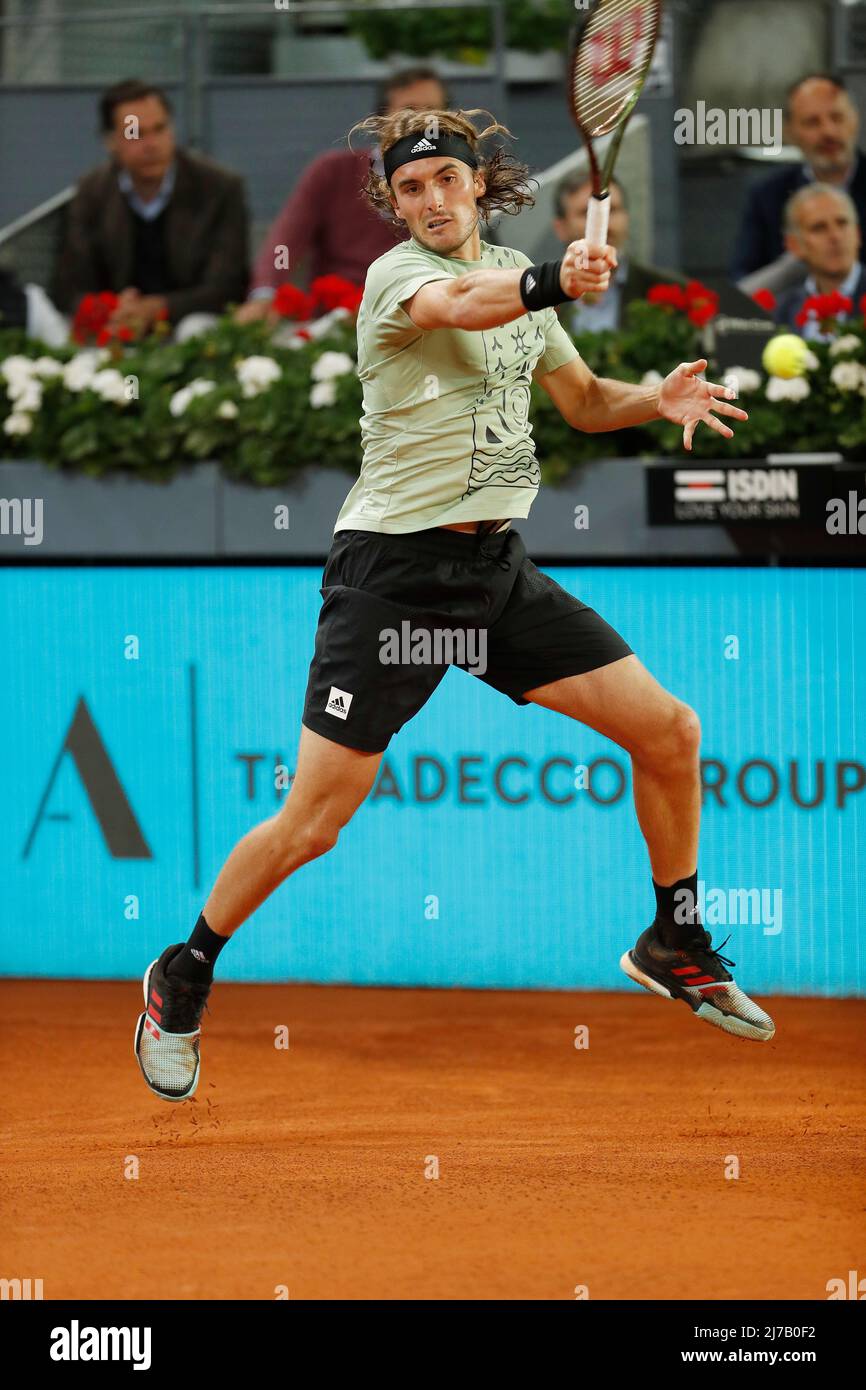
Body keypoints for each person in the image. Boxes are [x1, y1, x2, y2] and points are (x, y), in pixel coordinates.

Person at [134, 107, 773, 1104]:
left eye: (447, 179)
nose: (431, 198)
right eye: (412, 186)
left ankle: (673, 935)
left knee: (668, 730)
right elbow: (465, 306)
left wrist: (655, 397)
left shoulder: (515, 280)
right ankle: (184, 971)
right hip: (389, 577)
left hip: (493, 573)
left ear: (479, 185)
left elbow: (581, 400)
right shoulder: (403, 279)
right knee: (312, 823)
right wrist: (550, 278)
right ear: (392, 202)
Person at [236, 66, 448, 326]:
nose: (421, 123)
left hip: (417, 321)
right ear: (381, 119)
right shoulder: (333, 172)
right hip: (335, 320)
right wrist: (266, 291)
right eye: (409, 111)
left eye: (433, 113)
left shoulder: (454, 185)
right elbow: (286, 242)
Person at [53, 79, 249, 341]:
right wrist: (112, 310)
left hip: (189, 322)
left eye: (160, 129)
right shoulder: (91, 193)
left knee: (197, 330)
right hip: (114, 327)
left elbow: (228, 285)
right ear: (111, 141)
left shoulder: (219, 188)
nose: (151, 144)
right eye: (137, 133)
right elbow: (68, 287)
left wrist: (158, 308)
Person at [731, 73, 866, 284]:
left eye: (837, 118)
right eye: (813, 122)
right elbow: (744, 284)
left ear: (855, 120)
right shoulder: (768, 196)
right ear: (790, 132)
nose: (828, 132)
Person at [552, 174, 688, 334]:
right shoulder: (542, 300)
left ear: (627, 217)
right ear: (561, 228)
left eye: (612, 210)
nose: (604, 224)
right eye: (587, 213)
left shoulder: (672, 292)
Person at [773, 183, 866, 337]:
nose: (835, 236)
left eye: (842, 223)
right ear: (794, 245)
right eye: (819, 228)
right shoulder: (781, 311)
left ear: (857, 233)